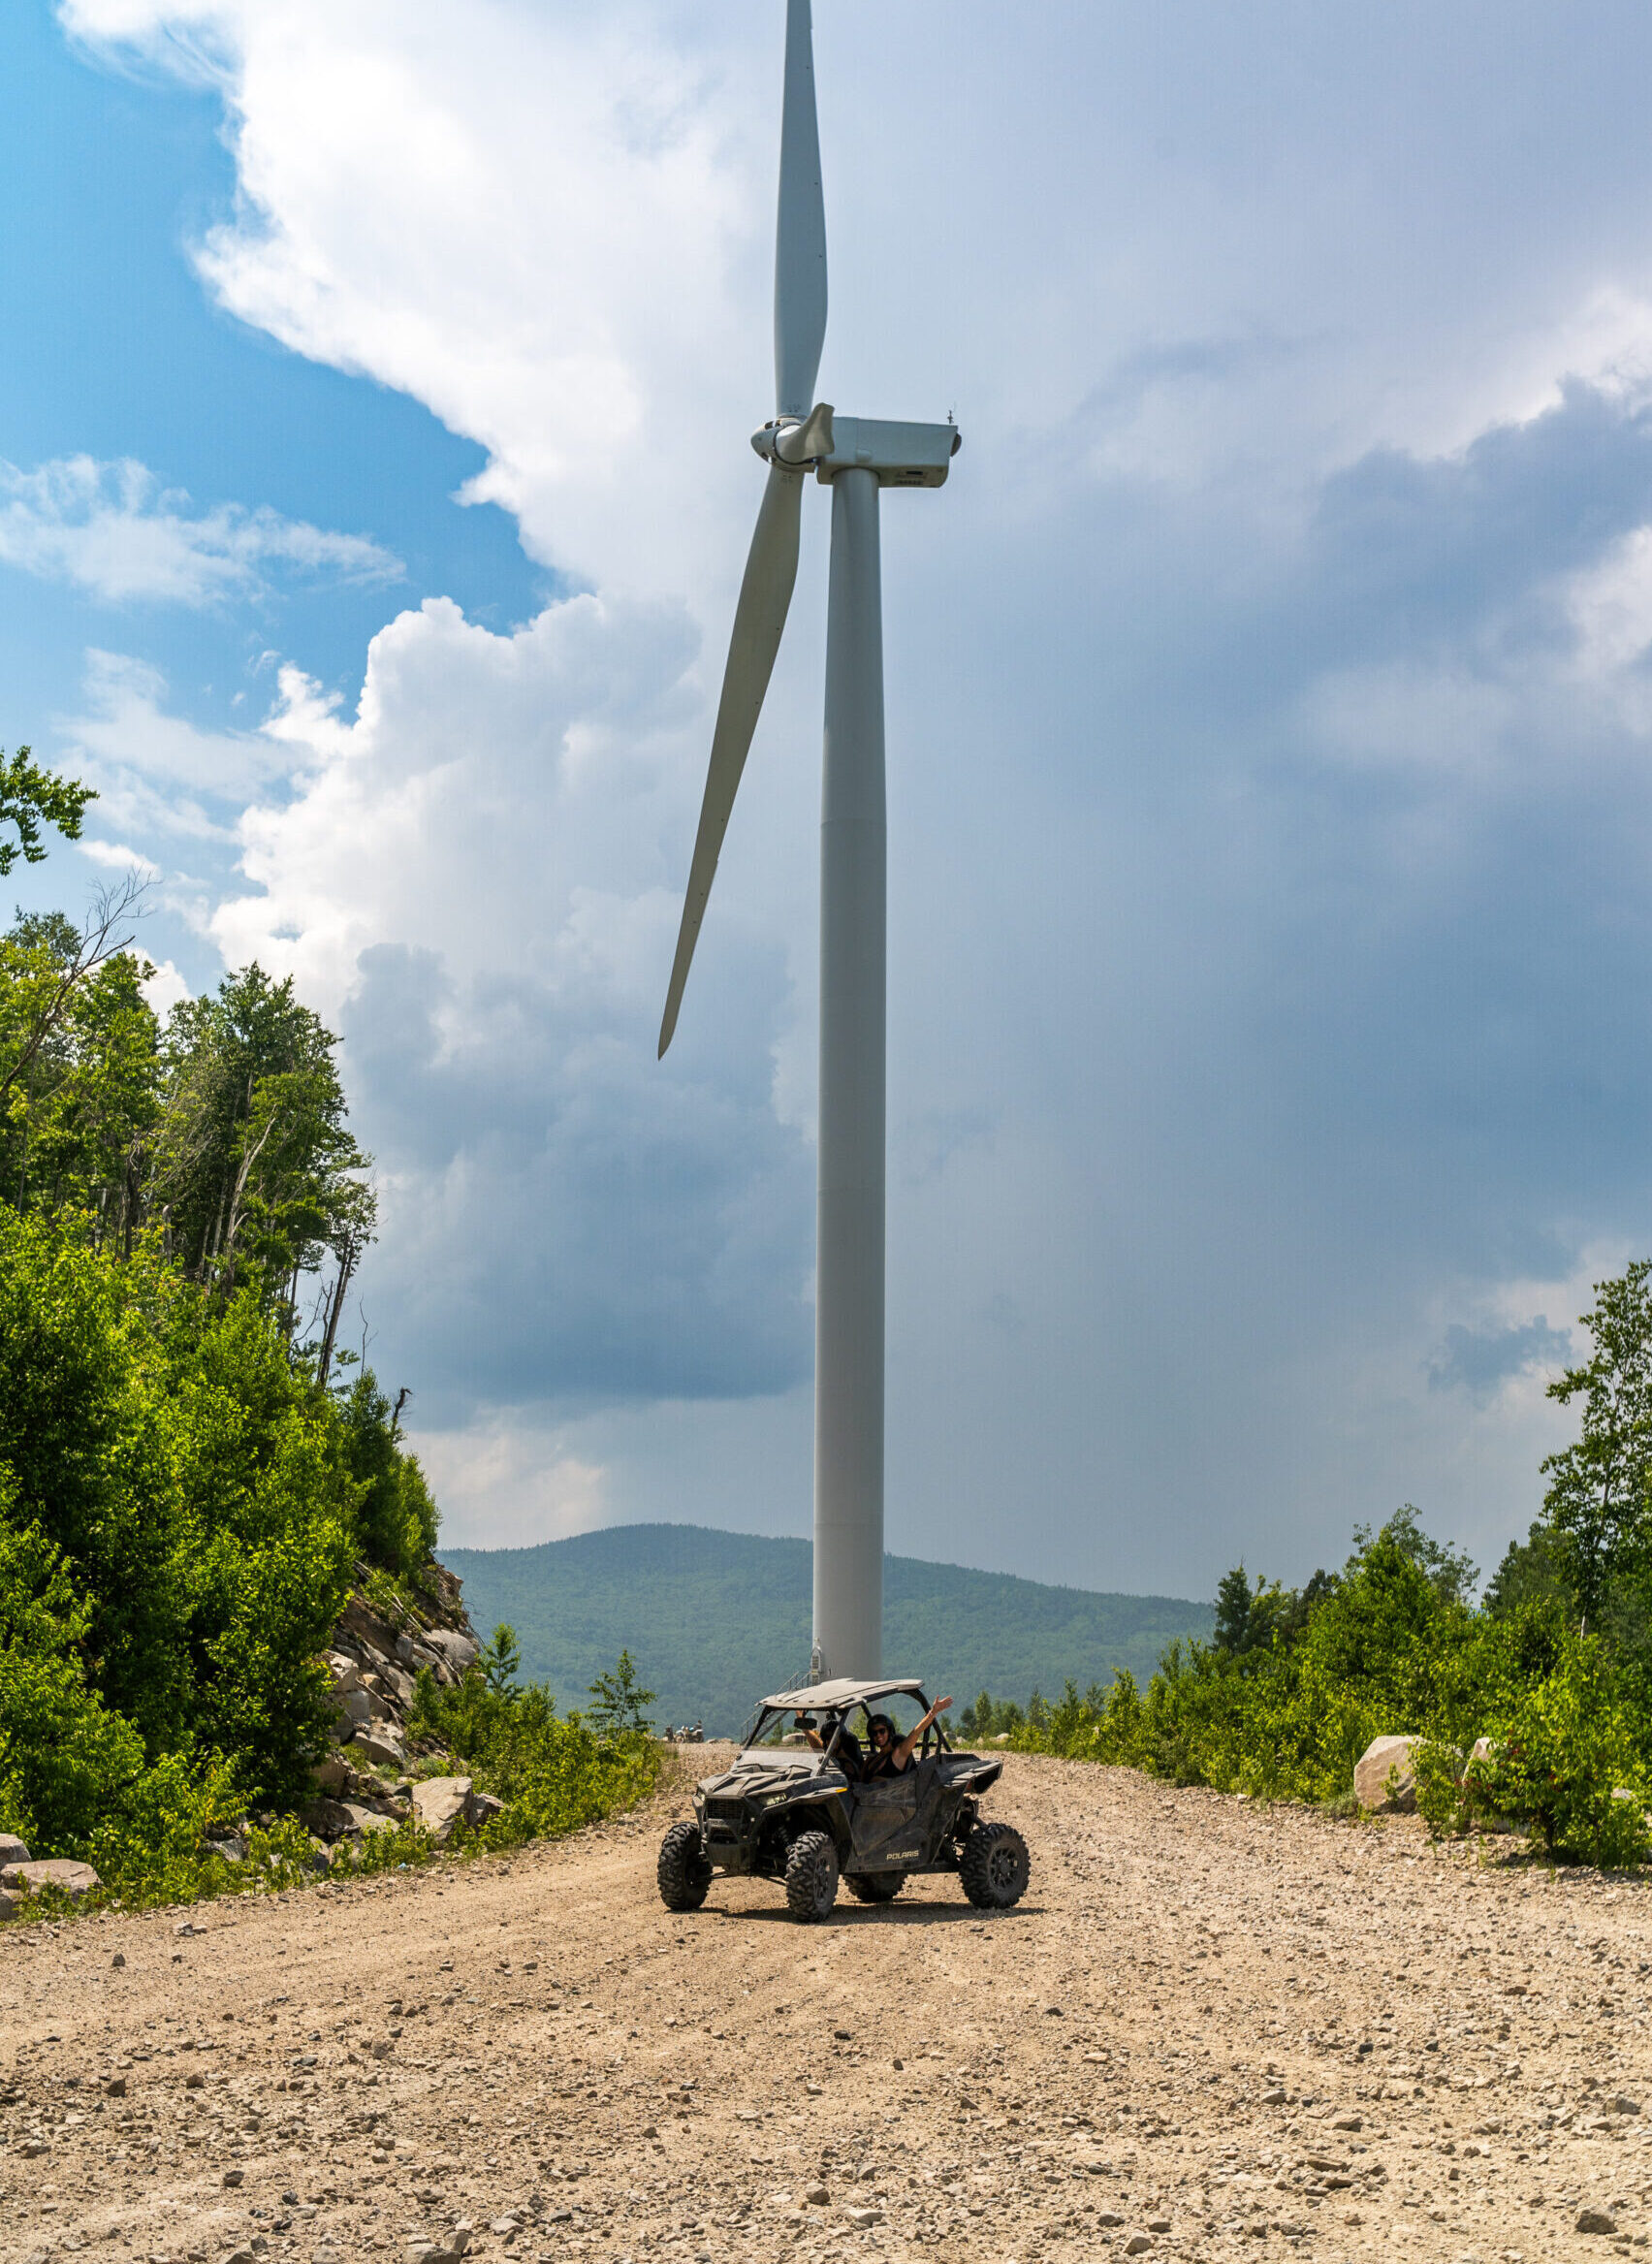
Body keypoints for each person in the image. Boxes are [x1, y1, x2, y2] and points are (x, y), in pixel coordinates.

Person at [863, 1694, 952, 1779]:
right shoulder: (870, 1760)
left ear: (889, 1731)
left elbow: (916, 1732)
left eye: (882, 1731)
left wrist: (933, 1712)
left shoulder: (899, 1753)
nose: (878, 1735)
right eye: (874, 1733)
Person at [795, 1709, 864, 1780]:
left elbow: (850, 1777)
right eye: (827, 1737)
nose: (830, 1740)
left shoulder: (848, 1760)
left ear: (841, 1737)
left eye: (834, 1736)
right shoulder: (829, 1753)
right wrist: (805, 1729)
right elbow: (817, 1745)